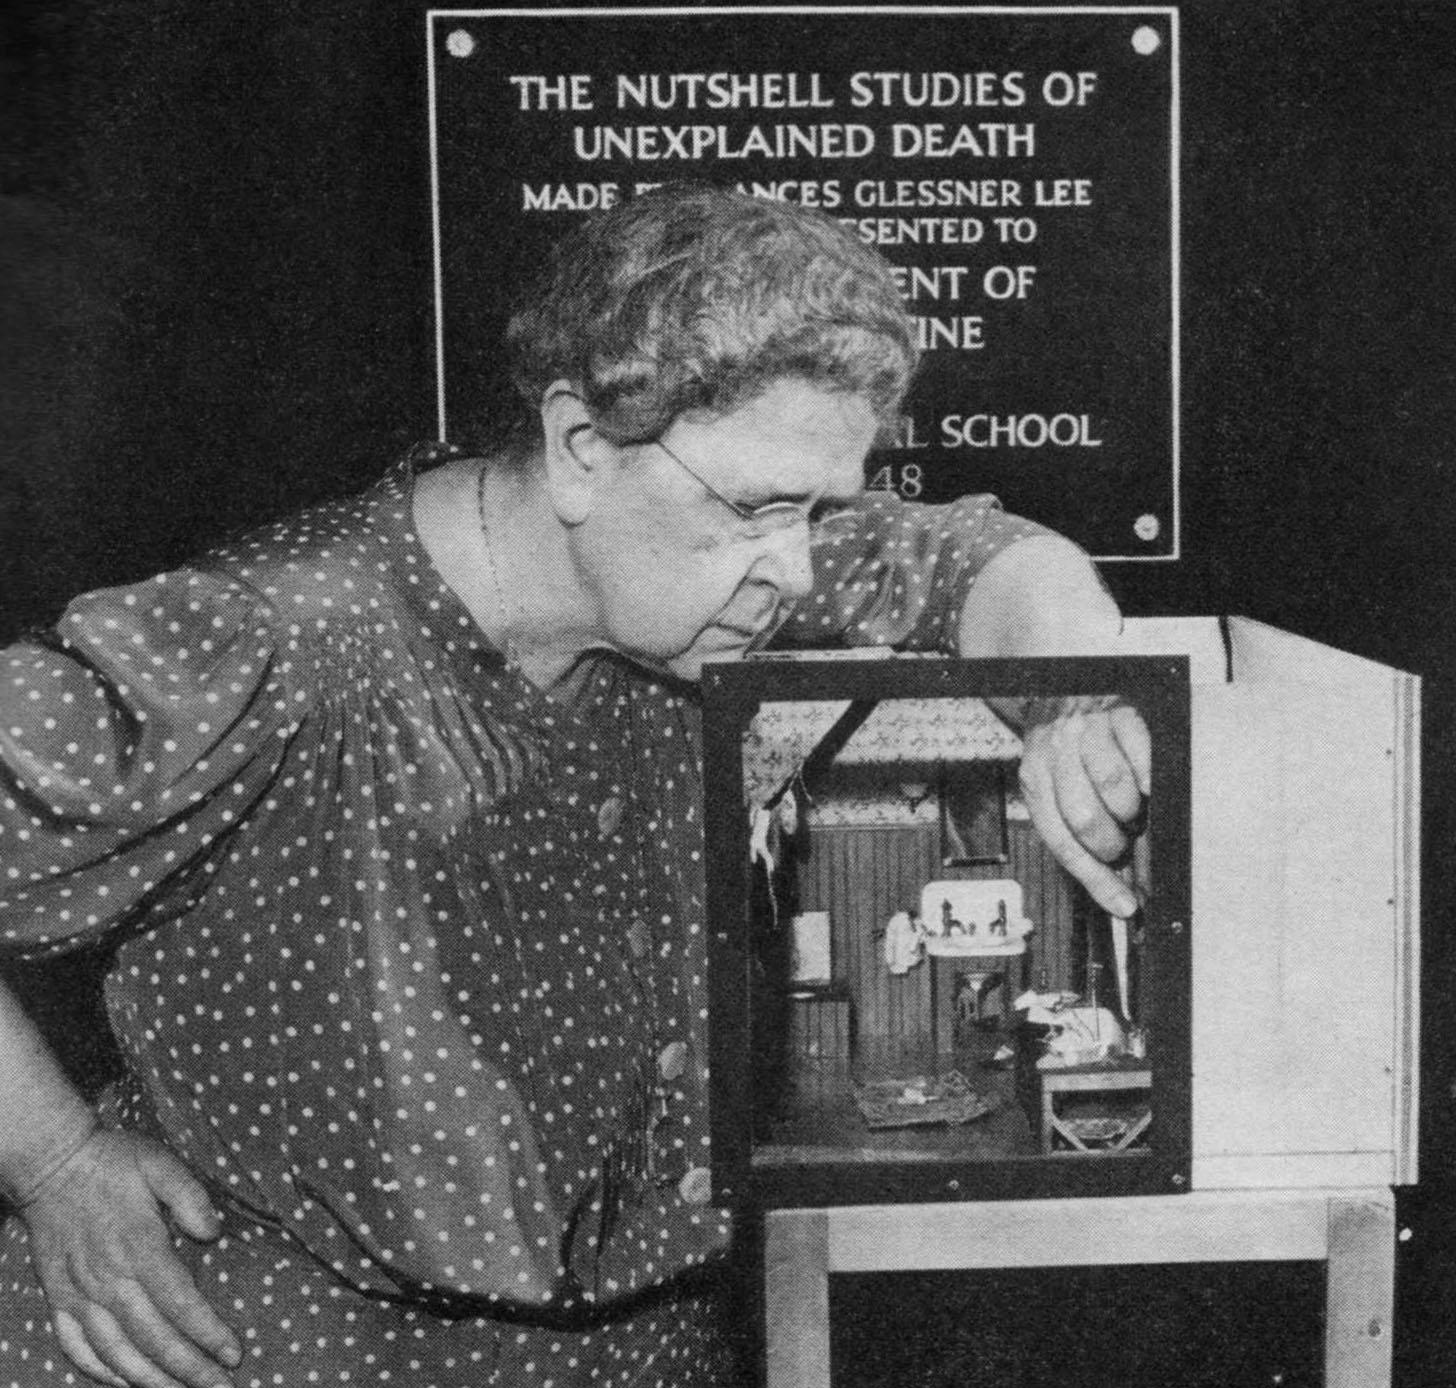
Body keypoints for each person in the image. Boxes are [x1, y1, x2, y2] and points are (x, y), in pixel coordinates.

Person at [0, 185, 1149, 1388]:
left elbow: (978, 554)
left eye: (815, 508)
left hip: (635, 1340)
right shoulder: (276, 637)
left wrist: (1073, 694)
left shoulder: (689, 577)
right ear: (578, 449)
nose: (797, 560)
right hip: (261, 1342)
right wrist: (56, 1165)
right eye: (762, 506)